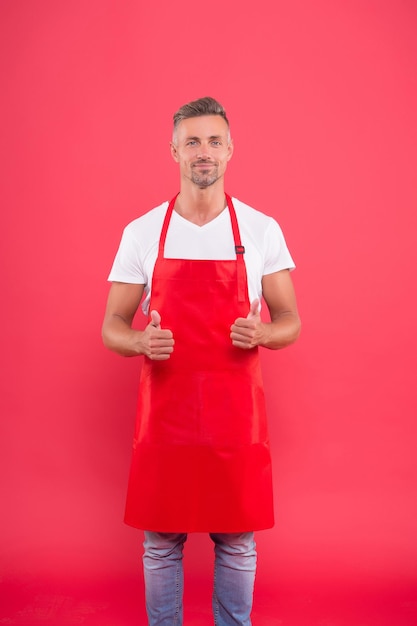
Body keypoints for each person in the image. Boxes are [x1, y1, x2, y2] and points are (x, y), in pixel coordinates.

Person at [102, 96, 301, 626]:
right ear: (174, 151)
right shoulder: (143, 232)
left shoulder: (261, 230)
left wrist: (263, 330)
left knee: (237, 541)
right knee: (161, 540)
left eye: (214, 141)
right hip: (164, 417)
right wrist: (140, 342)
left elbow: (291, 321)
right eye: (192, 141)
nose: (203, 151)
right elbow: (112, 328)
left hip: (235, 417)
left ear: (231, 149)